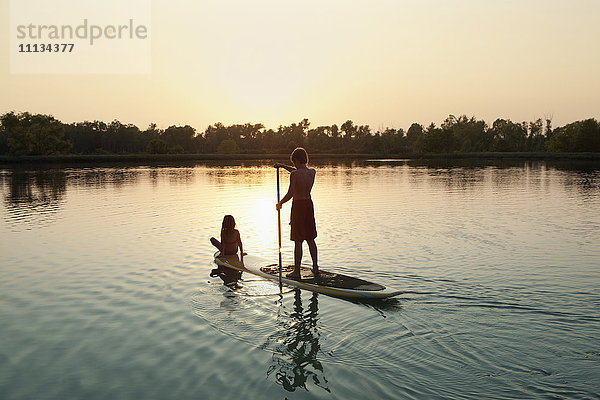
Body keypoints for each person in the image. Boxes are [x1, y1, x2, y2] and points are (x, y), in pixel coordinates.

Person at [275, 147, 319, 279]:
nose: (293, 164)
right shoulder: (312, 172)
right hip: (309, 205)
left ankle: (297, 272)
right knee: (310, 238)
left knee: (298, 240)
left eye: (294, 162)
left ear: (297, 160)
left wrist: (280, 203)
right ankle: (315, 267)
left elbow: (290, 193)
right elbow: (298, 171)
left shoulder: (294, 175)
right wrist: (282, 166)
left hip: (298, 206)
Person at [210, 215, 244, 284]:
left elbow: (223, 244)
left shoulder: (223, 232)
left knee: (212, 239)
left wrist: (222, 255)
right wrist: (241, 253)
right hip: (234, 251)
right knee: (234, 242)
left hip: (226, 252)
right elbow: (240, 243)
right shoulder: (236, 232)